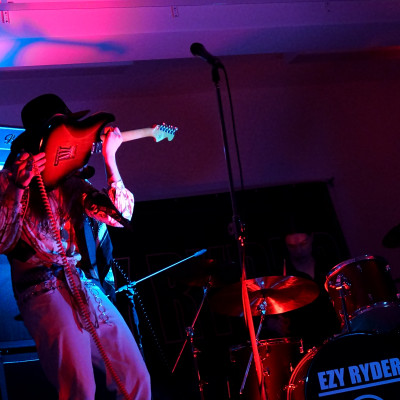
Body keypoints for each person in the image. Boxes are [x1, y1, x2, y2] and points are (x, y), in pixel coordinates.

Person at [0, 94, 151, 399]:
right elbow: (3, 240)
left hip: (81, 285)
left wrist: (110, 160)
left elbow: (120, 217)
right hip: (41, 289)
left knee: (136, 377)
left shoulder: (72, 182)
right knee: (80, 387)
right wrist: (18, 187)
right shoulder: (10, 178)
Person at [263, 228, 341, 350]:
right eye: (292, 246)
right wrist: (272, 323)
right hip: (302, 345)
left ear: (311, 238)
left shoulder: (329, 266)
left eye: (303, 243)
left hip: (336, 337)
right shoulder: (279, 277)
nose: (299, 250)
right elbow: (263, 309)